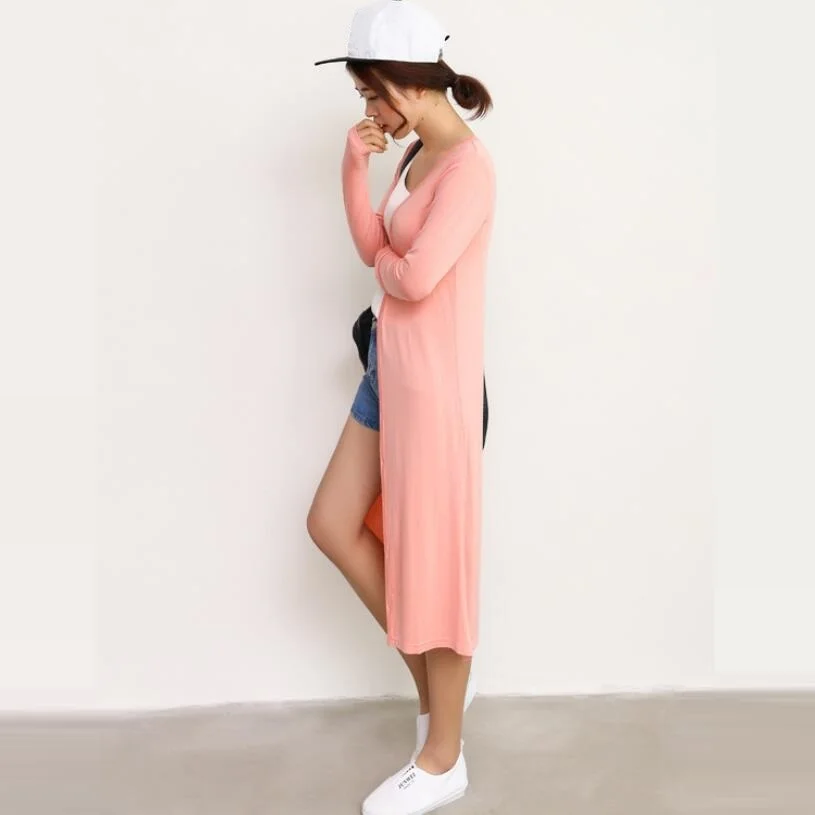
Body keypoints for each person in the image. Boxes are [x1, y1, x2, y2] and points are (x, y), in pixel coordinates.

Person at [308, 2, 496, 812]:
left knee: (435, 568)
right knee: (331, 522)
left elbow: (414, 278)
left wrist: (394, 265)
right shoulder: (415, 151)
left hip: (438, 394)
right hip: (388, 370)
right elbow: (376, 252)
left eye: (370, 95)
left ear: (408, 83)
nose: (368, 111)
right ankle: (437, 697)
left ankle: (443, 757)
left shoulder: (469, 169)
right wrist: (354, 166)